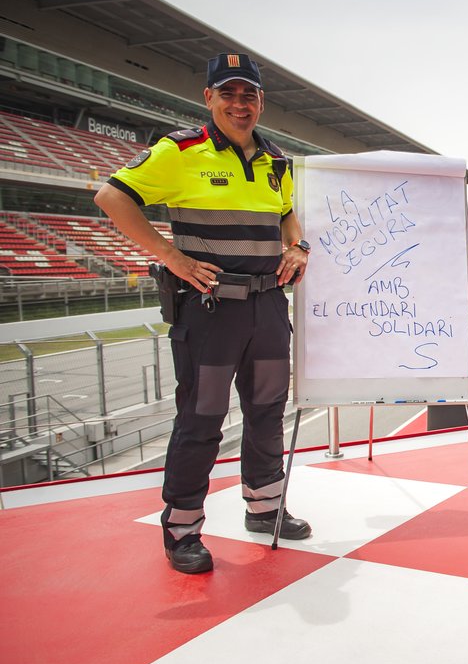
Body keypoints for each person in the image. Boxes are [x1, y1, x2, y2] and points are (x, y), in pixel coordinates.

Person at [94, 53, 313, 575]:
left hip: (267, 308)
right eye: (229, 93)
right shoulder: (180, 150)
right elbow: (111, 196)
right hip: (211, 311)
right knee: (202, 419)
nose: (240, 104)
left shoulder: (275, 158)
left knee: (266, 412)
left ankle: (264, 509)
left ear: (261, 101)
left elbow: (286, 216)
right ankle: (183, 528)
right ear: (208, 97)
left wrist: (298, 246)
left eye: (249, 95)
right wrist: (169, 255)